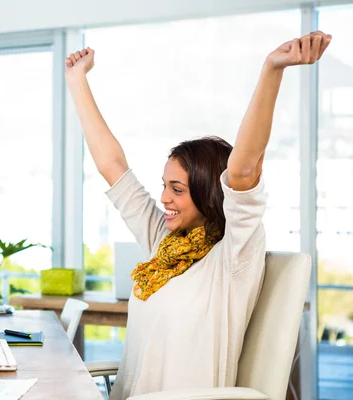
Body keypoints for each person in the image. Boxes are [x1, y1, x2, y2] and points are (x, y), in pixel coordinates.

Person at [65, 31, 332, 399]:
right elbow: (113, 166)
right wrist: (76, 80)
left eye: (177, 189)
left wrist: (272, 69)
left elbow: (241, 171)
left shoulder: (234, 257)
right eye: (164, 186)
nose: (164, 199)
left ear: (210, 194)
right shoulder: (165, 245)